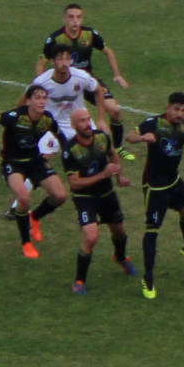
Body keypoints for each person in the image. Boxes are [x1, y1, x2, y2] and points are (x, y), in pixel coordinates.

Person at [127, 92, 184, 300]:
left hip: (173, 181)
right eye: (176, 109)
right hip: (155, 186)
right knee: (152, 230)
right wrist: (142, 138)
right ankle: (148, 278)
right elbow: (129, 136)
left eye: (183, 110)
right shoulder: (153, 123)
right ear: (168, 107)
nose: (179, 114)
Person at [0, 84, 67, 259]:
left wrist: (69, 153)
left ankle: (34, 218)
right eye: (37, 97)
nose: (42, 101)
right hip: (13, 163)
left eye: (44, 97)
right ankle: (26, 243)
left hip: (35, 161)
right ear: (28, 101)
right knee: (23, 198)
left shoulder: (47, 119)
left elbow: (62, 137)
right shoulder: (16, 116)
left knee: (60, 196)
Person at [37, 4, 133, 158]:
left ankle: (118, 148)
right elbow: (42, 62)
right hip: (66, 82)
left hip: (86, 80)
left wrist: (117, 75)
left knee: (115, 111)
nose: (75, 21)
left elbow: (107, 51)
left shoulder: (89, 34)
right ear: (65, 19)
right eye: (71, 17)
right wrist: (41, 88)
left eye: (78, 17)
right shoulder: (56, 38)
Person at [60, 108, 138, 292]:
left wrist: (119, 176)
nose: (87, 124)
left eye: (88, 119)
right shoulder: (70, 150)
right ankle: (79, 282)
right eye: (82, 121)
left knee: (119, 231)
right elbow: (75, 183)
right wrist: (104, 174)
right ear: (74, 125)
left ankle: (120, 258)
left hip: (107, 194)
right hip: (85, 197)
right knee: (91, 236)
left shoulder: (102, 137)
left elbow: (113, 153)